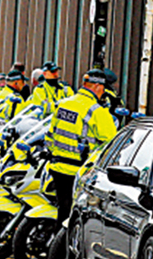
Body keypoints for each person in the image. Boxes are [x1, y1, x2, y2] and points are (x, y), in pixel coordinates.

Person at [46, 69, 117, 220]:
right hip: (80, 172)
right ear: (98, 86)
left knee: (63, 210)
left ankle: (57, 241)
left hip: (57, 167)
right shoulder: (97, 111)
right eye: (103, 89)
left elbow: (50, 135)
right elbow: (112, 144)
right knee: (77, 216)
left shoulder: (63, 104)